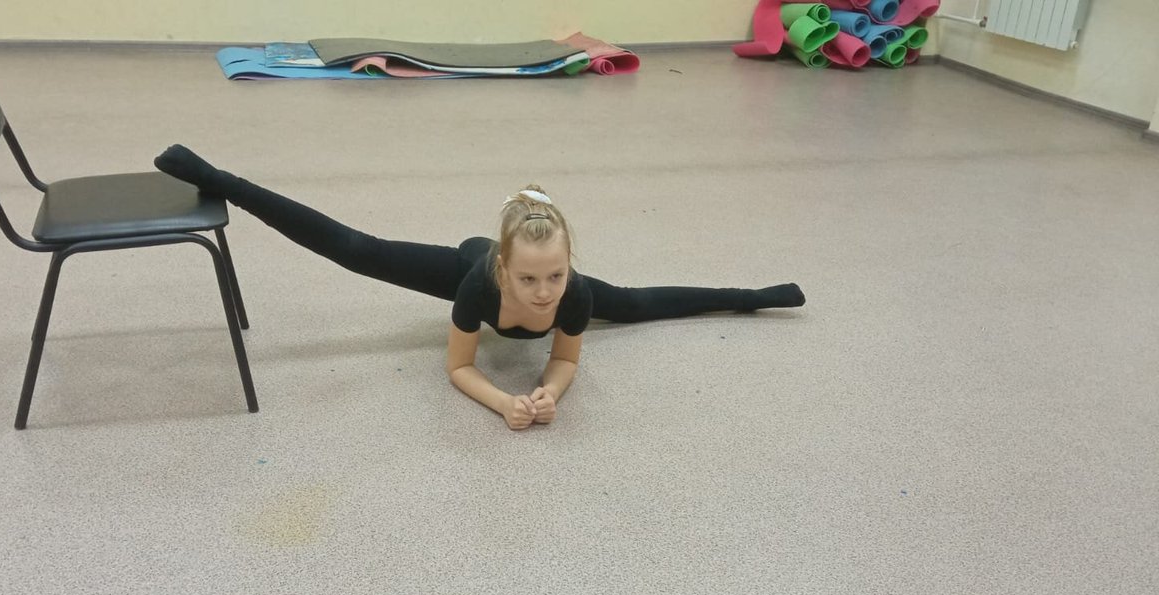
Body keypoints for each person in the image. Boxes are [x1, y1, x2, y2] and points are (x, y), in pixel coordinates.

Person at [153, 145, 806, 430]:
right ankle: (219, 176)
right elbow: (460, 367)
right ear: (505, 271)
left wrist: (549, 392)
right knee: (358, 252)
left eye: (554, 275)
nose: (545, 293)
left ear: (568, 265)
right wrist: (503, 402)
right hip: (467, 258)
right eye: (530, 279)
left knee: (636, 305)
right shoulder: (478, 283)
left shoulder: (572, 291)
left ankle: (757, 296)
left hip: (506, 264)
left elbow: (566, 359)